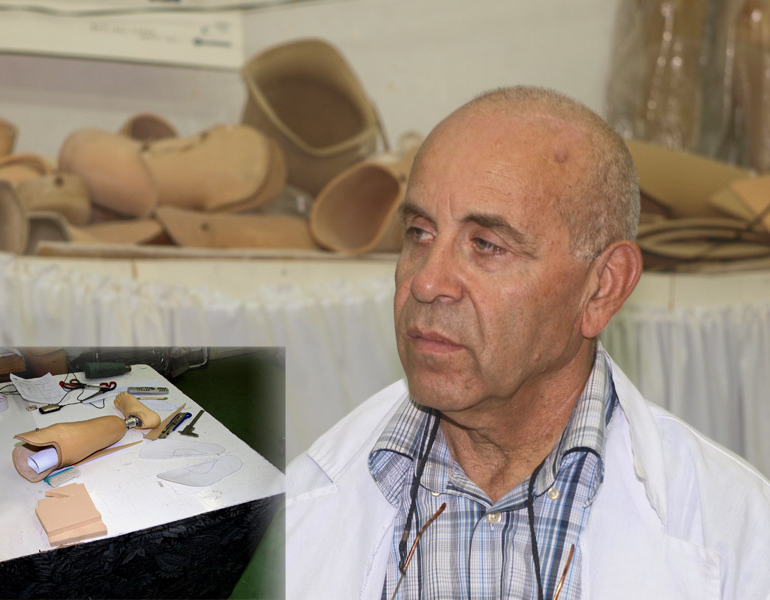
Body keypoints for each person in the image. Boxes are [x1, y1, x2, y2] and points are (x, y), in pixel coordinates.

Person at [286, 86, 770, 599]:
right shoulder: (284, 519)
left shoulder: (740, 535)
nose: (426, 282)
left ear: (602, 288)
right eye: (419, 233)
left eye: (486, 245)